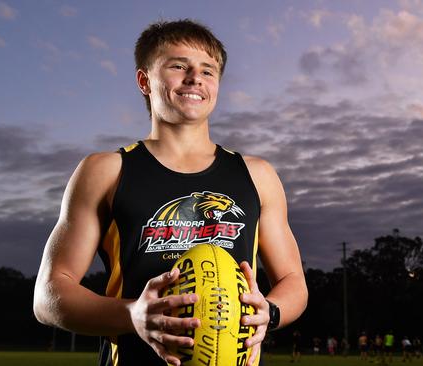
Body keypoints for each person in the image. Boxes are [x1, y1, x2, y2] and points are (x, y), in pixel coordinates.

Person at [33, 19, 308, 366]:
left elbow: (293, 281)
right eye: (179, 66)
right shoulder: (106, 171)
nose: (195, 78)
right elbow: (48, 298)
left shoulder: (257, 175)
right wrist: (132, 314)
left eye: (208, 71)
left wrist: (271, 310)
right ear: (144, 80)